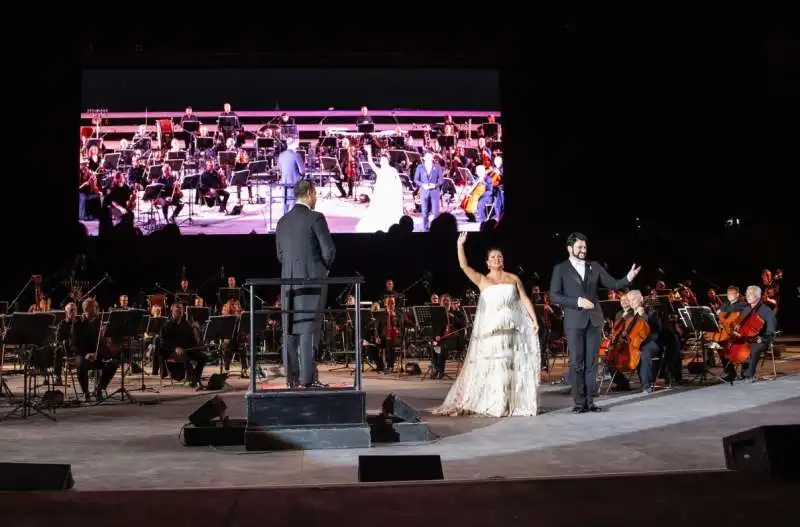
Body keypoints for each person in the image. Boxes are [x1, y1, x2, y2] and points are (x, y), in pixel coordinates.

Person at [433, 232, 540, 417]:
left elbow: (524, 299)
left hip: (512, 331)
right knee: (495, 367)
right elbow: (464, 265)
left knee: (510, 367)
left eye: (499, 256)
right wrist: (460, 245)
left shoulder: (513, 279)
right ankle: (495, 402)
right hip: (492, 333)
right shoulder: (483, 280)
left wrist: (534, 320)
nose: (497, 259)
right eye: (493, 257)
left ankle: (510, 402)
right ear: (487, 262)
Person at [549, 232, 641, 413]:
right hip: (574, 320)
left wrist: (628, 278)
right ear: (570, 248)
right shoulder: (560, 269)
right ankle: (578, 402)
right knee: (576, 362)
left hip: (594, 320)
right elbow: (554, 296)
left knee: (592, 362)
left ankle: (590, 401)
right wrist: (576, 301)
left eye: (585, 247)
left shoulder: (594, 266)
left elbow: (613, 283)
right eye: (579, 247)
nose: (583, 250)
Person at [275, 180, 336, 388]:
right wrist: (323, 270)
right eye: (316, 193)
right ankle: (307, 380)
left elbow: (280, 255)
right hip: (312, 282)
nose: (316, 197)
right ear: (309, 193)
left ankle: (292, 379)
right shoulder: (316, 218)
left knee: (290, 329)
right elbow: (329, 251)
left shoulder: (282, 221)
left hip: (288, 284)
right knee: (308, 330)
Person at [355, 150, 404, 232]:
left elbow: (397, 184)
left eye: (384, 160)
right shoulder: (379, 170)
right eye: (381, 161)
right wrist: (369, 153)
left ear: (387, 161)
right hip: (379, 195)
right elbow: (370, 163)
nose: (382, 162)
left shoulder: (393, 170)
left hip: (388, 195)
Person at [278, 137, 306, 216]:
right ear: (293, 144)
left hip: (284, 182)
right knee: (294, 202)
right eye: (296, 143)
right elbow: (302, 171)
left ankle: (285, 219)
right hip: (294, 183)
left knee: (285, 202)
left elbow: (280, 169)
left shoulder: (281, 155)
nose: (297, 145)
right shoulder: (297, 155)